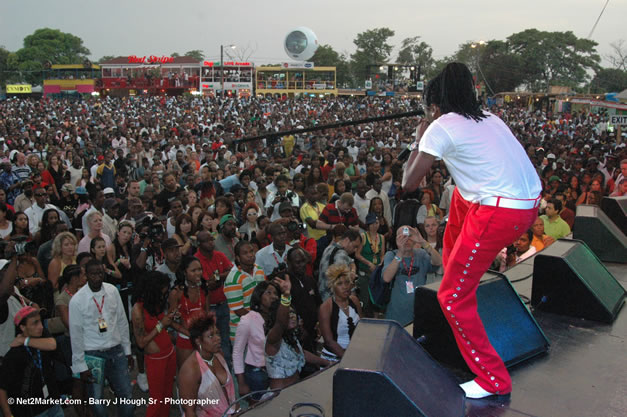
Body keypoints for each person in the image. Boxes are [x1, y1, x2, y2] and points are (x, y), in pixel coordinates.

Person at [402, 63, 541, 399]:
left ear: (435, 103)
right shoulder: (490, 118)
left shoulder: (440, 127)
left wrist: (419, 142)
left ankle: (493, 379)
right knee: (462, 195)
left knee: (452, 298)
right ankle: (457, 269)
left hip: (499, 212)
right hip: (526, 203)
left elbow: (408, 184)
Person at [69, 258, 134, 417]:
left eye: (100, 273)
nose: (97, 277)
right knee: (96, 400)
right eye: (93, 274)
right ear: (86, 275)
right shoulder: (77, 300)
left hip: (116, 350)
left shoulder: (112, 291)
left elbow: (122, 321)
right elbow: (76, 335)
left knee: (126, 395)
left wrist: (127, 350)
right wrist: (80, 365)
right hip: (93, 354)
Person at [263, 275, 329, 389]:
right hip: (279, 396)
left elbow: (302, 354)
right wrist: (286, 296)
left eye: (293, 313)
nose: (292, 316)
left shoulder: (291, 336)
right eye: (288, 314)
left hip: (295, 390)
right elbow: (280, 323)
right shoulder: (273, 339)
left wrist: (326, 362)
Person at [0, 306, 62, 417]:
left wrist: (24, 340)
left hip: (53, 403)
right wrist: (7, 413)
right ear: (23, 327)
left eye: (40, 322)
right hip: (32, 411)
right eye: (35, 323)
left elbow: (52, 344)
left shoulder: (42, 338)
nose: (41, 327)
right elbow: (2, 387)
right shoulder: (14, 355)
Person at [131, 272, 178, 417]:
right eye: (161, 292)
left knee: (167, 395)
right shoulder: (138, 310)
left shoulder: (154, 303)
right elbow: (141, 342)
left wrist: (170, 318)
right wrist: (161, 325)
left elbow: (161, 320)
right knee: (156, 400)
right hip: (156, 359)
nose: (163, 296)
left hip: (169, 353)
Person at [178, 311, 238, 417]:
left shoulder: (218, 354)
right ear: (198, 341)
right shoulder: (191, 370)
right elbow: (189, 411)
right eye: (211, 336)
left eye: (217, 333)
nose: (218, 338)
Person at [382, 226, 441, 325]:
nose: (407, 240)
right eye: (403, 237)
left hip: (418, 313)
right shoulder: (391, 255)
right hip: (396, 314)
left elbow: (439, 261)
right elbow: (386, 278)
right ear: (397, 239)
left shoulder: (421, 254)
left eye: (410, 237)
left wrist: (422, 242)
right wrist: (400, 252)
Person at [232, 281, 278, 402]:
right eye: (268, 293)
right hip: (257, 374)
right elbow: (237, 352)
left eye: (275, 293)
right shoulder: (248, 320)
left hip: (276, 372)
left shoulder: (278, 319)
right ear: (259, 296)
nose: (273, 296)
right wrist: (241, 383)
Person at [169, 256, 209, 368]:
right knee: (186, 374)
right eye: (193, 270)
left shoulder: (204, 289)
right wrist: (187, 333)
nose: (198, 273)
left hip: (202, 337)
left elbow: (207, 313)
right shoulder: (176, 293)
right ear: (184, 272)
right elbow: (169, 320)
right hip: (185, 339)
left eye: (200, 269)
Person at [318, 263, 362, 362]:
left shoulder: (354, 300)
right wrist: (348, 358)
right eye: (339, 284)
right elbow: (329, 341)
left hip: (354, 354)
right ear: (332, 286)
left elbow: (362, 326)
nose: (345, 287)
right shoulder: (326, 308)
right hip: (333, 358)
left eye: (347, 282)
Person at [224, 241, 266, 341]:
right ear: (238, 258)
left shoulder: (258, 269)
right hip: (242, 332)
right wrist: (260, 320)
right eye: (245, 253)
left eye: (251, 251)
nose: (250, 255)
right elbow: (238, 310)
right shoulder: (233, 278)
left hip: (260, 328)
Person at [354, 213, 385, 316]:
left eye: (376, 223)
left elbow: (382, 254)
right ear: (368, 225)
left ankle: (376, 318)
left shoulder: (381, 237)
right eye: (372, 223)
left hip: (376, 271)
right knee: (365, 297)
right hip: (365, 271)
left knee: (376, 296)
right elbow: (357, 254)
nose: (374, 225)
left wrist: (380, 264)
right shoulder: (363, 236)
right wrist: (369, 263)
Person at [318, 229, 361, 301]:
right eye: (354, 246)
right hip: (333, 300)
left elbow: (351, 261)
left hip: (323, 296)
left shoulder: (329, 248)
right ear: (347, 240)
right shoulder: (341, 255)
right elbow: (344, 284)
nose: (355, 250)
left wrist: (353, 271)